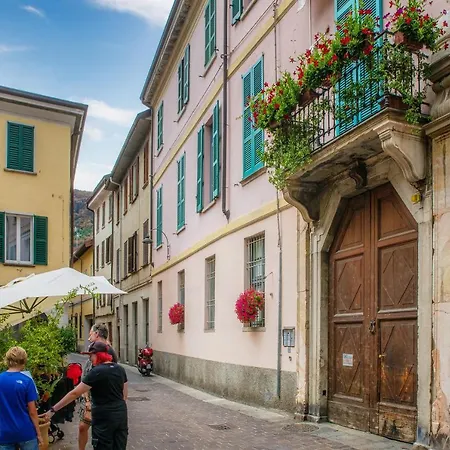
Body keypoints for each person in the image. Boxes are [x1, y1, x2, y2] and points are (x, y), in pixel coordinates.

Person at [41, 341, 128, 450]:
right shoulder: (120, 369)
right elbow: (124, 395)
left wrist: (53, 410)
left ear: (98, 355)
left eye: (91, 356)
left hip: (103, 417)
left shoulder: (96, 372)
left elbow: (74, 393)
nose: (90, 359)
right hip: (120, 415)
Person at [78, 323, 117, 450]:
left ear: (97, 334)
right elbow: (86, 375)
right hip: (88, 394)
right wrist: (86, 399)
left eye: (90, 334)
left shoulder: (109, 351)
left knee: (100, 430)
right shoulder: (93, 348)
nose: (89, 337)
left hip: (101, 398)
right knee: (83, 427)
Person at [0, 347, 43, 450]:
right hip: (25, 431)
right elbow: (32, 411)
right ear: (24, 360)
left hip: (4, 432)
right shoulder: (27, 381)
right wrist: (39, 433)